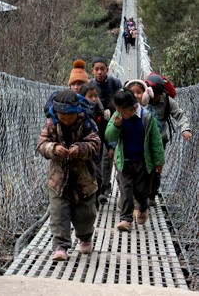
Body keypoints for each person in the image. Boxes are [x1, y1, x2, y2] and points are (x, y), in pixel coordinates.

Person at [37, 89, 101, 261]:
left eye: (69, 116)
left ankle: (85, 235)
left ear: (77, 112)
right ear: (56, 112)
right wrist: (53, 148)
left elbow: (95, 143)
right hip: (58, 180)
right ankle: (60, 246)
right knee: (58, 213)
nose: (66, 120)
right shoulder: (51, 123)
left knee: (86, 213)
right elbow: (42, 143)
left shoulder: (86, 123)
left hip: (84, 178)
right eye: (62, 116)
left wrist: (80, 149)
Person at [105, 89, 165, 231]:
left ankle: (142, 208)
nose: (120, 113)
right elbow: (109, 136)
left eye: (123, 111)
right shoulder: (117, 117)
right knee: (126, 191)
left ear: (134, 107)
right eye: (117, 110)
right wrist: (116, 125)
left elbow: (155, 141)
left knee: (141, 191)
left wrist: (159, 161)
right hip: (124, 161)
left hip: (143, 162)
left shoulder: (147, 117)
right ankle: (126, 219)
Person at [144, 73, 192, 205]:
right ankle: (142, 195)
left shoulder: (166, 100)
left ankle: (152, 195)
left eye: (159, 95)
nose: (156, 97)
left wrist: (185, 129)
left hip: (159, 139)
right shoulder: (140, 97)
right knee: (142, 167)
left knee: (156, 167)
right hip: (142, 139)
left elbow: (180, 114)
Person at [89, 56, 122, 202]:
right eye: (97, 69)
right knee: (96, 155)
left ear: (107, 70)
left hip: (111, 124)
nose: (100, 72)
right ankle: (99, 186)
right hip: (95, 124)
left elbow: (120, 101)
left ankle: (106, 186)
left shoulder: (115, 83)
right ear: (92, 71)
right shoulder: (89, 85)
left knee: (108, 155)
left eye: (102, 69)